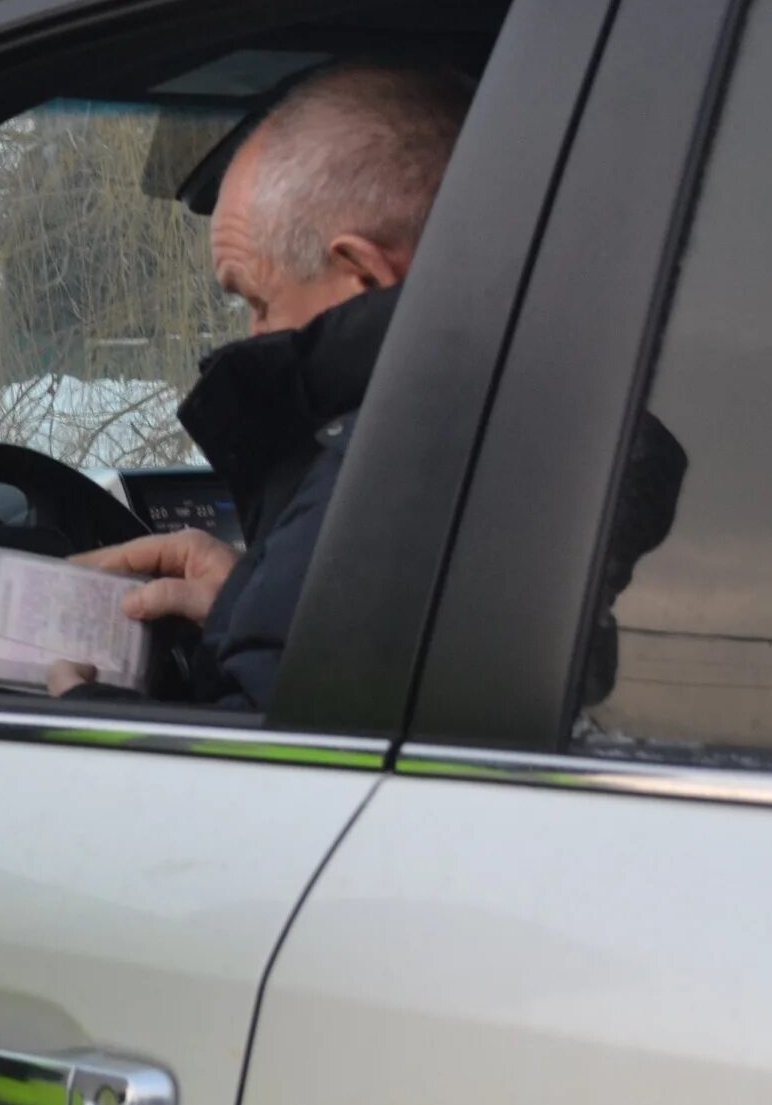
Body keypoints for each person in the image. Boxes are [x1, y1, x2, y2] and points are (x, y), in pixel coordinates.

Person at [53, 63, 471, 707]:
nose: (252, 338)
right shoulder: (521, 430)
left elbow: (258, 795)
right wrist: (246, 606)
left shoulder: (383, 490)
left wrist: (78, 719)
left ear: (361, 276)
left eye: (257, 301)